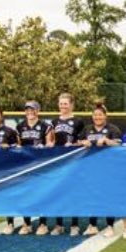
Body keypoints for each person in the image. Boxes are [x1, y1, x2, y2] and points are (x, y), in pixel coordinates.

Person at [77, 103, 121, 237]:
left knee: (108, 196)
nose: (97, 117)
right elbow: (78, 142)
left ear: (105, 116)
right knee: (92, 195)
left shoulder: (113, 129)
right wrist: (82, 142)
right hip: (91, 167)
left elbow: (120, 145)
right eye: (95, 115)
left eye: (100, 115)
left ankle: (110, 226)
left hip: (108, 168)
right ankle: (93, 225)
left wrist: (107, 141)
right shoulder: (87, 129)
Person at [45, 93, 85, 236]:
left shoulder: (78, 121)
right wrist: (49, 143)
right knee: (58, 192)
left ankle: (75, 225)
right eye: (61, 103)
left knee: (73, 193)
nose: (63, 106)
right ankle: (59, 225)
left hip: (74, 161)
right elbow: (49, 138)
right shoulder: (54, 121)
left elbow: (83, 141)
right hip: (59, 162)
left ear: (71, 105)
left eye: (66, 104)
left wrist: (73, 144)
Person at [15, 100, 55, 235]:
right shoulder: (20, 126)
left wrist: (46, 147)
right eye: (27, 109)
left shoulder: (45, 126)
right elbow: (19, 145)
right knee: (26, 194)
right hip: (26, 165)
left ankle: (43, 224)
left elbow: (50, 144)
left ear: (37, 111)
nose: (30, 112)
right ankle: (26, 223)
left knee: (42, 193)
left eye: (32, 109)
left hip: (40, 164)